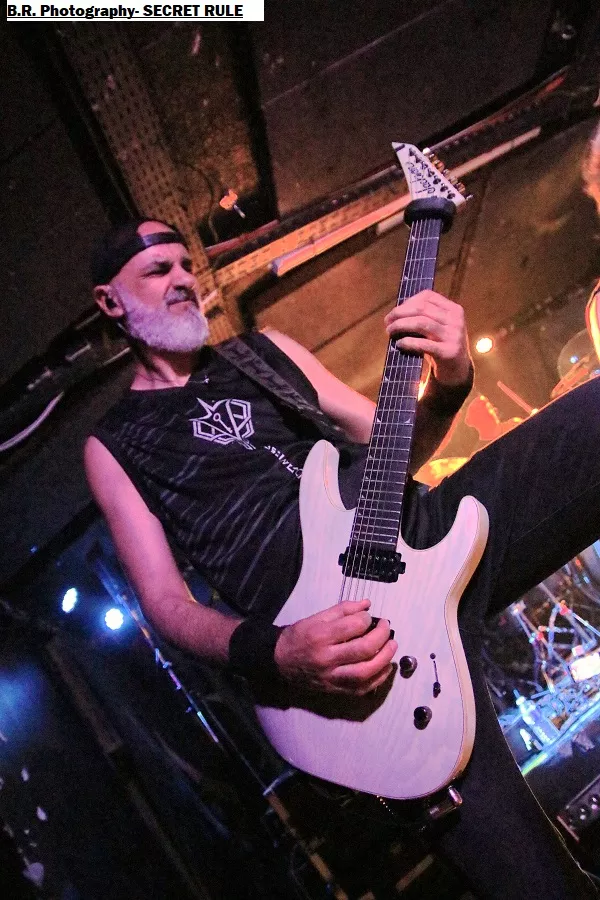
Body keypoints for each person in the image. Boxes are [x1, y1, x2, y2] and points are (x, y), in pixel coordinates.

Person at [84, 218, 600, 899]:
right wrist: (277, 653)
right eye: (158, 270)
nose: (183, 279)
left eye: (186, 265)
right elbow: (164, 601)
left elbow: (397, 446)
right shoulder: (115, 443)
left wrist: (450, 380)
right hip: (351, 645)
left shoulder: (262, 352)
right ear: (110, 301)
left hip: (427, 534)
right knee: (541, 886)